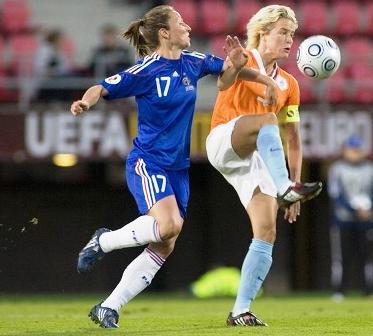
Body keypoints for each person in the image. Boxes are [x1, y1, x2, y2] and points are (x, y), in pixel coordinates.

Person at [71, 5, 280, 329]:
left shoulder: (193, 62)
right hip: (148, 162)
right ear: (164, 33)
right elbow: (103, 86)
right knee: (168, 227)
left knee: (164, 244)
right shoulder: (146, 71)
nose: (188, 27)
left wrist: (254, 73)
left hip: (177, 169)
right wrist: (85, 101)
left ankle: (108, 307)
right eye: (180, 23)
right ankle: (104, 241)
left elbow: (226, 75)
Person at [206, 5, 323, 327]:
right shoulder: (246, 56)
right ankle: (285, 186)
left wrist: (296, 186)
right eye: (283, 32)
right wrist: (234, 66)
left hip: (255, 158)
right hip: (223, 140)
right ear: (263, 32)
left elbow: (294, 140)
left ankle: (240, 311)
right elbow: (223, 81)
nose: (290, 40)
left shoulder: (289, 84)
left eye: (292, 34)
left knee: (266, 231)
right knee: (267, 119)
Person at [327, 134, 373, 301]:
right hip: (343, 220)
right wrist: (354, 209)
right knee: (342, 257)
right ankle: (339, 291)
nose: (355, 153)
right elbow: (335, 194)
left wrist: (371, 209)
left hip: (367, 220)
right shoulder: (337, 169)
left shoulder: (372, 169)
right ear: (345, 150)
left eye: (358, 150)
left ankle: (368, 290)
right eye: (351, 149)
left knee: (366, 257)